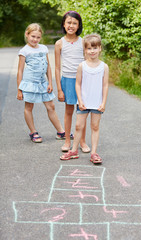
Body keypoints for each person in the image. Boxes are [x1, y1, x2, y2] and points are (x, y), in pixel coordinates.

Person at [60, 34, 109, 164]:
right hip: (84, 101)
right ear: (85, 50)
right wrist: (80, 100)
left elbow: (105, 85)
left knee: (95, 126)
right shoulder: (82, 66)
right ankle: (74, 150)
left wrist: (103, 102)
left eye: (95, 48)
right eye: (89, 48)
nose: (92, 51)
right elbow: (78, 84)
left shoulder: (104, 67)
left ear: (100, 49)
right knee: (78, 126)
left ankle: (93, 153)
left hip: (97, 102)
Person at [17, 23, 64, 143]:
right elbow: (20, 70)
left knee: (51, 106)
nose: (35, 39)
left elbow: (48, 67)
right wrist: (19, 89)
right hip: (30, 83)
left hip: (43, 82)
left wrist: (50, 83)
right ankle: (33, 132)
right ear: (27, 35)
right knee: (29, 107)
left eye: (38, 37)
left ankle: (60, 131)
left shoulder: (43, 48)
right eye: (33, 36)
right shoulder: (24, 51)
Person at [55, 11, 90, 152]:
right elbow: (57, 68)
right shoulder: (59, 43)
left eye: (74, 23)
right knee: (69, 111)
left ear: (79, 25)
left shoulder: (83, 42)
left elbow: (88, 63)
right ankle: (68, 141)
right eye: (69, 22)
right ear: (64, 24)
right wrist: (59, 89)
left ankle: (82, 141)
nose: (71, 25)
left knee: (82, 111)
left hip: (82, 81)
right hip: (67, 81)